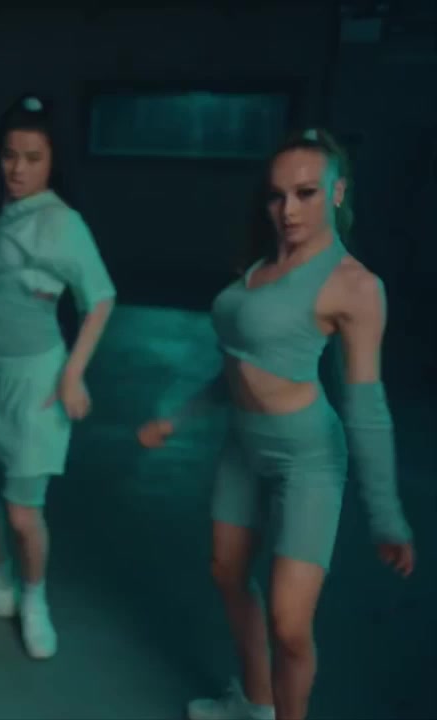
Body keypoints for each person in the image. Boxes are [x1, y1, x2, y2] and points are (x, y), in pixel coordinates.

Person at [138, 128, 416, 720]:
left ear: (337, 191)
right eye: (276, 195)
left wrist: (386, 515)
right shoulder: (260, 265)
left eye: (306, 193)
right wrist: (176, 417)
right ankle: (255, 701)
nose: (288, 210)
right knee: (227, 573)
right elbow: (237, 368)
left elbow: (367, 408)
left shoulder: (356, 286)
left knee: (291, 624)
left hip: (308, 459)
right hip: (243, 445)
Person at [0, 93, 116, 660]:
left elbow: (100, 298)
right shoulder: (5, 215)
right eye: (10, 155)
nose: (17, 169)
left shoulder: (62, 223)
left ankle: (34, 598)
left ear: (53, 162)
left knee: (23, 513)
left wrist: (73, 374)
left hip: (37, 382)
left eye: (33, 158)